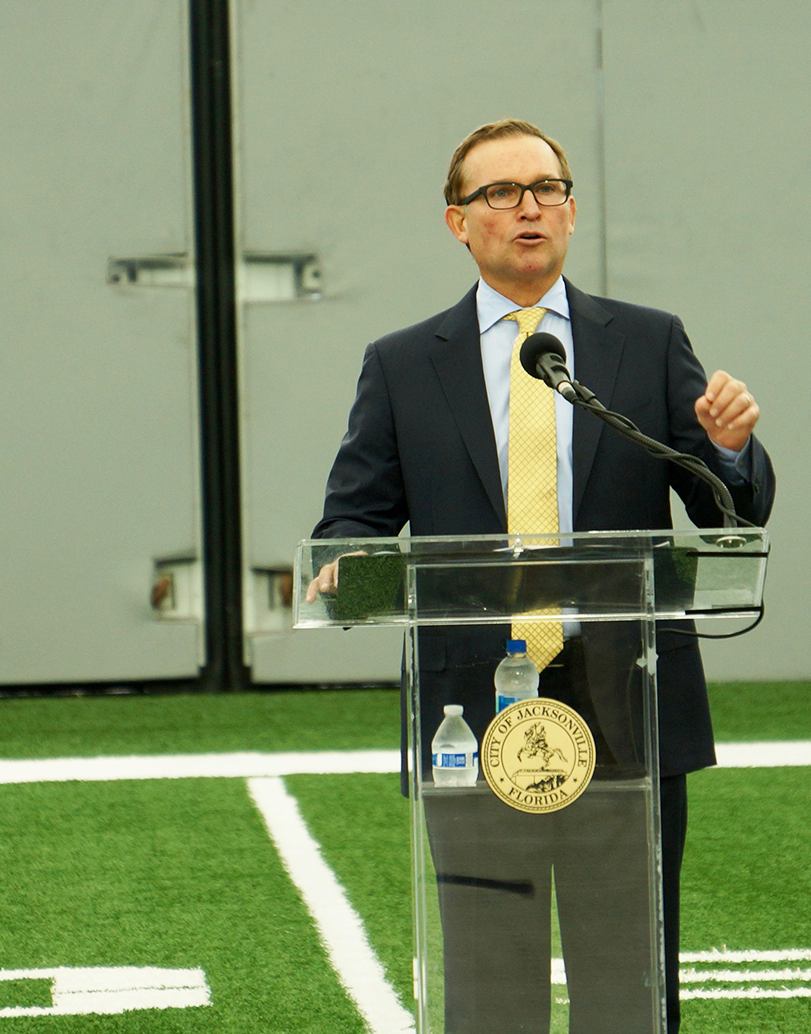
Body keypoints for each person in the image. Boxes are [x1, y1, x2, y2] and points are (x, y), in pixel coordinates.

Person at [309, 118, 773, 1032]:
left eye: (546, 188)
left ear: (571, 208)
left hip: (626, 701)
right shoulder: (404, 364)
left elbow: (725, 513)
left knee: (628, 972)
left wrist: (732, 450)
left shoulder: (645, 343)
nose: (529, 208)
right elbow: (353, 517)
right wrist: (349, 558)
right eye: (501, 193)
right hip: (472, 706)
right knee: (489, 980)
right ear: (457, 222)